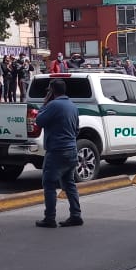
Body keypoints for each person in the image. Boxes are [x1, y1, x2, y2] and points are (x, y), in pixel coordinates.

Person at [34, 78, 83, 228]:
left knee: (49, 184)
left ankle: (49, 218)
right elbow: (76, 129)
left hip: (57, 151)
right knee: (69, 184)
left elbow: (39, 121)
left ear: (52, 91)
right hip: (71, 149)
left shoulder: (53, 105)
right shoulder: (72, 106)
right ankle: (76, 215)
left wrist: (44, 104)